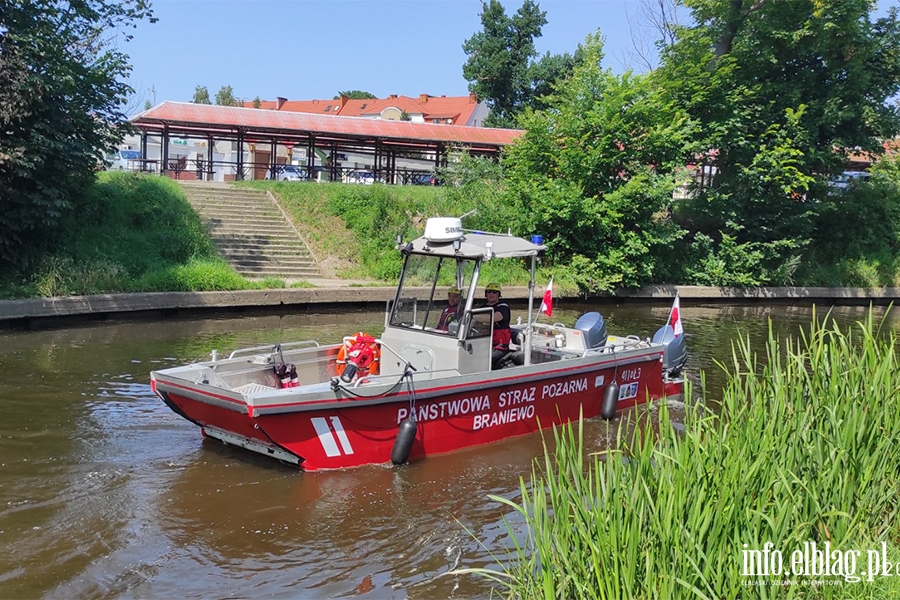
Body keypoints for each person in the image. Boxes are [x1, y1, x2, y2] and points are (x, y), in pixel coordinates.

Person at [474, 282, 511, 369]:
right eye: (489, 292)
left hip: (499, 346)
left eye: (494, 292)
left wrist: (472, 315)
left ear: (499, 294)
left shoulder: (503, 307)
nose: (491, 294)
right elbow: (474, 322)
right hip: (484, 343)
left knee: (486, 359)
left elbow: (494, 317)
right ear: (485, 294)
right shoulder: (482, 308)